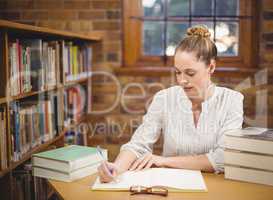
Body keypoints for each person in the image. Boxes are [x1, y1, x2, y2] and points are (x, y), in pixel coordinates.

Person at [98, 25, 244, 183]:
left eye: (190, 73)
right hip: (171, 187)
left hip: (215, 188)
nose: (182, 80)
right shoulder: (164, 98)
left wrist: (164, 161)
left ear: (211, 67)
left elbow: (223, 158)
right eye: (177, 72)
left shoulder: (232, 101)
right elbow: (139, 144)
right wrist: (117, 168)